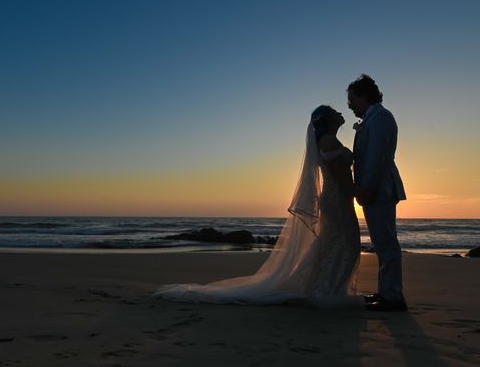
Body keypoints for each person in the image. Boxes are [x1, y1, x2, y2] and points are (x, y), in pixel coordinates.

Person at [153, 105, 363, 308]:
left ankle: (327, 288)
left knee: (335, 244)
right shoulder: (327, 141)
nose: (340, 112)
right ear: (327, 119)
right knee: (347, 243)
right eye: (334, 111)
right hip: (337, 200)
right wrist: (360, 194)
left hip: (338, 199)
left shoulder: (329, 140)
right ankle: (327, 291)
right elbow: (340, 177)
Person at [348, 74, 408, 311]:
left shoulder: (381, 117)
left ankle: (392, 297)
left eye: (352, 99)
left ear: (364, 95)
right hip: (374, 189)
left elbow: (376, 157)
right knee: (381, 243)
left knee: (386, 244)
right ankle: (386, 292)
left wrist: (366, 189)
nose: (350, 105)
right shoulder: (372, 119)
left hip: (379, 189)